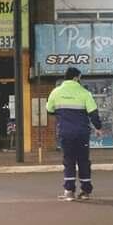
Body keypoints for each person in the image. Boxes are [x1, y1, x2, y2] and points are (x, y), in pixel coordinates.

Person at [46, 67, 102, 201]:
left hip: (65, 132)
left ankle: (69, 191)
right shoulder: (85, 93)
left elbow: (49, 110)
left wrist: (62, 114)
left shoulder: (56, 92)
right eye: (80, 77)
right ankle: (85, 191)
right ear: (76, 77)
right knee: (83, 161)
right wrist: (98, 127)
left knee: (68, 161)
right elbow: (93, 113)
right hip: (82, 133)